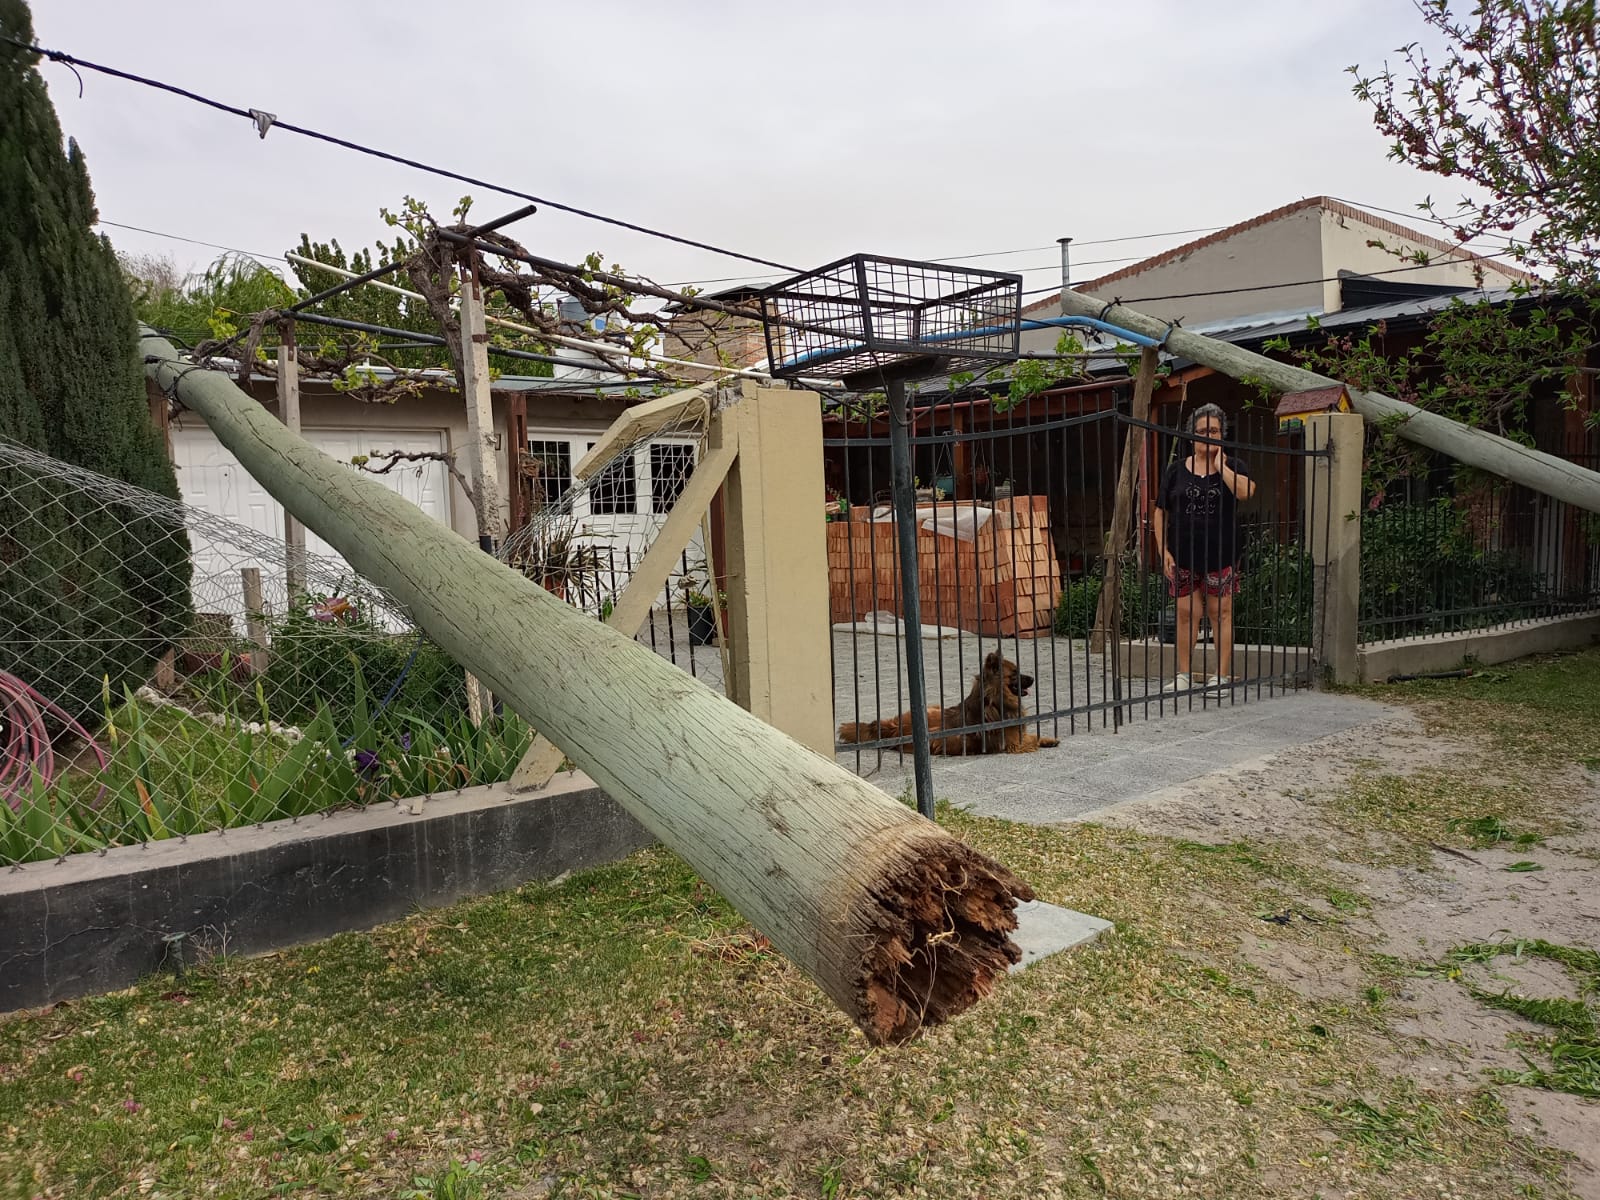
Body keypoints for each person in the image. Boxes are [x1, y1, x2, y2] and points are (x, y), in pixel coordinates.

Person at [1151, 404, 1256, 691]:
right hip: (1183, 555)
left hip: (1221, 554)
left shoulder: (1234, 467)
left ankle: (1220, 676)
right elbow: (1160, 511)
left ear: (1222, 434)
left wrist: (1221, 467)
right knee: (1186, 615)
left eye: (1213, 430)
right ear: (1191, 436)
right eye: (1201, 432)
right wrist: (1163, 551)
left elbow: (1246, 493)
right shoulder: (1175, 470)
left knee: (1220, 614)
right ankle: (1184, 675)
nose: (1206, 436)